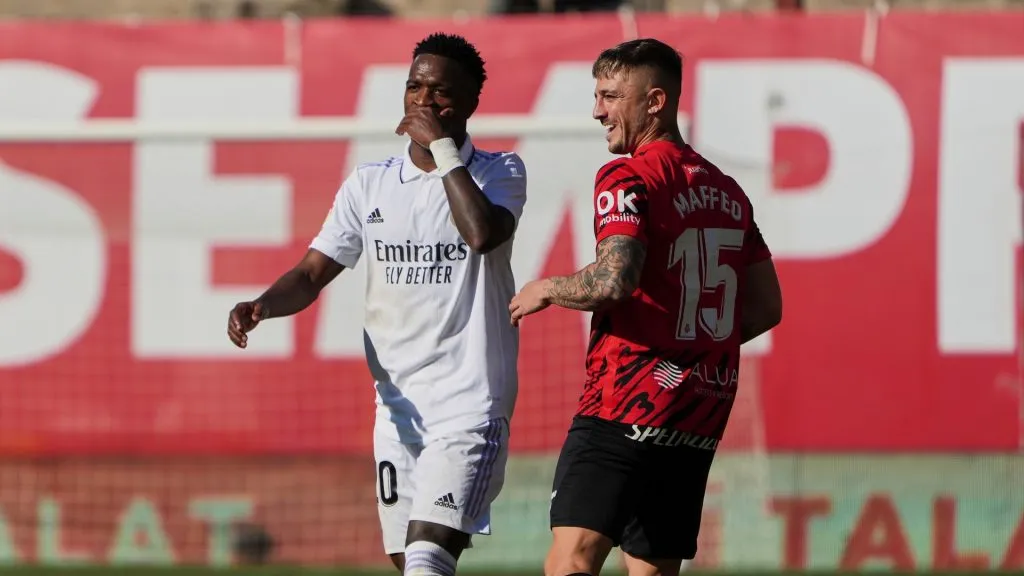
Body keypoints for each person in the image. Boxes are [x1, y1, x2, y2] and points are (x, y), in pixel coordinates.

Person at [227, 33, 527, 576]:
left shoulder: (500, 172)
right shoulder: (369, 184)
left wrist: (441, 152)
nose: (423, 101)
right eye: (415, 86)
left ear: (470, 103)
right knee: (404, 556)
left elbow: (482, 234)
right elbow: (312, 272)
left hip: (469, 403)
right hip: (396, 409)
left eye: (440, 92)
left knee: (427, 556)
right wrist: (263, 305)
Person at [509, 38, 782, 576]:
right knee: (653, 569)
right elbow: (765, 308)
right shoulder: (729, 192)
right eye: (596, 95)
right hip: (698, 410)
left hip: (625, 403)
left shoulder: (627, 175)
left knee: (572, 559)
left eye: (610, 96)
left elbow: (614, 279)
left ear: (655, 102)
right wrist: (687, 355)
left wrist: (547, 288)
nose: (597, 110)